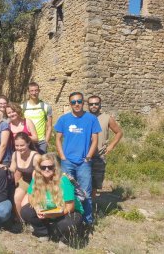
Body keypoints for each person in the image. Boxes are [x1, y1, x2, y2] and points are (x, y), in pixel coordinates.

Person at [54, 92, 101, 224]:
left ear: (83, 102)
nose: (76, 104)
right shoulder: (64, 119)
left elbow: (95, 140)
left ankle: (87, 222)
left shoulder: (91, 119)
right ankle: (68, 220)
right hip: (67, 162)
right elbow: (57, 139)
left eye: (79, 101)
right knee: (67, 192)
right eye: (73, 102)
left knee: (85, 194)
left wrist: (88, 157)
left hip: (83, 163)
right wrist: (62, 157)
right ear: (70, 104)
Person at [20, 153, 83, 245]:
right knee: (26, 211)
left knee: (66, 223)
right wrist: (37, 208)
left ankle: (65, 238)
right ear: (39, 168)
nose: (46, 169)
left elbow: (70, 207)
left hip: (66, 211)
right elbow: (30, 196)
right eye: (43, 167)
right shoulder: (37, 178)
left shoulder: (64, 180)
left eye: (50, 167)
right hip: (48, 210)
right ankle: (43, 232)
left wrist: (51, 215)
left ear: (55, 167)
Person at [87, 95, 123, 196]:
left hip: (99, 155)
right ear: (88, 105)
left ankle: (93, 208)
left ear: (100, 104)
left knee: (95, 184)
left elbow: (119, 133)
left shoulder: (107, 118)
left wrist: (111, 146)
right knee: (83, 182)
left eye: (96, 104)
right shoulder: (84, 117)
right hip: (84, 155)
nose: (94, 106)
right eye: (91, 104)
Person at [9, 132, 41, 221]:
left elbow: (41, 176)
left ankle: (33, 221)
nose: (19, 148)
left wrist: (32, 190)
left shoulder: (36, 157)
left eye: (22, 145)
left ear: (28, 143)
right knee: (16, 198)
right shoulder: (15, 154)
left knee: (25, 203)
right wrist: (3, 169)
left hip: (37, 182)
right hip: (25, 180)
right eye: (17, 145)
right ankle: (21, 221)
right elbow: (12, 169)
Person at [22, 82, 53, 154]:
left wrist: (46, 141)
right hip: (28, 140)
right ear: (28, 92)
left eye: (36, 90)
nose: (34, 93)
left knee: (41, 163)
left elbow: (49, 126)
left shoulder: (46, 107)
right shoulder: (22, 107)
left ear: (39, 91)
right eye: (32, 91)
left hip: (41, 142)